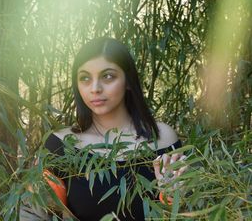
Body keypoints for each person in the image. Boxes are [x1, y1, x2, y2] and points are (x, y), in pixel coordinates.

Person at [20, 37, 186, 221]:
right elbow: (34, 215)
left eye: (108, 76)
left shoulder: (163, 139)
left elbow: (189, 211)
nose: (95, 88)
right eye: (85, 78)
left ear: (129, 81)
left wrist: (173, 195)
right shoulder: (60, 146)